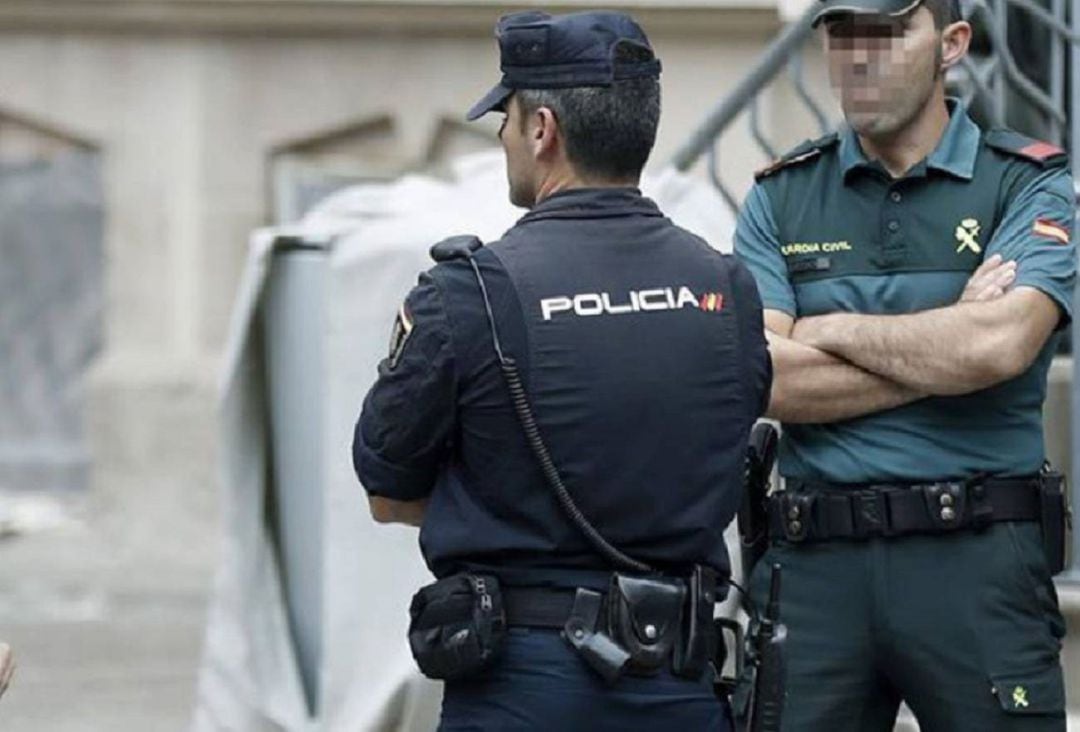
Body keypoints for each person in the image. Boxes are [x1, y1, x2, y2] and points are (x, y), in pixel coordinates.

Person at [352, 10, 771, 731]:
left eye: (507, 120)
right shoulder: (725, 290)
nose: (504, 138)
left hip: (524, 687)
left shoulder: (467, 294)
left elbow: (387, 494)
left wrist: (496, 494)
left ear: (543, 129)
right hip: (682, 683)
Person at [733, 0, 1074, 728]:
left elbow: (998, 347)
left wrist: (826, 327)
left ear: (952, 44)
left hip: (976, 557)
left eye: (887, 32)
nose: (860, 54)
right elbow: (766, 377)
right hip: (815, 566)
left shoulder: (1028, 184)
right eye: (842, 33)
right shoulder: (782, 195)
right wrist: (947, 338)